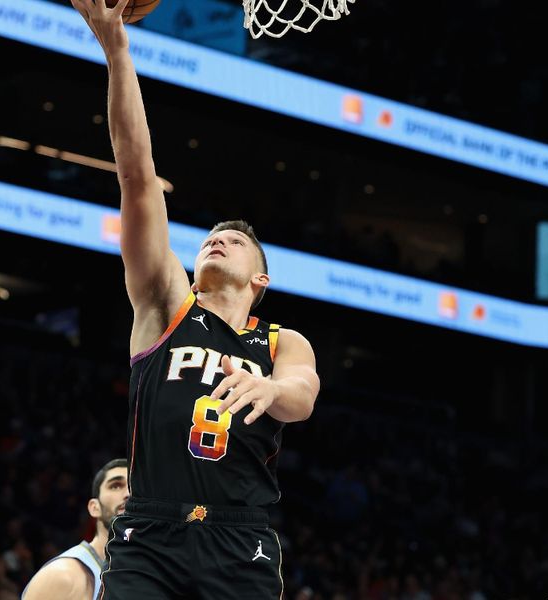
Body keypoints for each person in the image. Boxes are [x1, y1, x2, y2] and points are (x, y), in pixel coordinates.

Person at [69, 2, 321, 598]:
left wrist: (272, 389)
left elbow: (303, 394)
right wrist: (117, 50)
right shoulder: (166, 306)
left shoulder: (281, 341)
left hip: (242, 543)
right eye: (211, 237)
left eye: (236, 242)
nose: (219, 239)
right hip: (150, 535)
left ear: (260, 282)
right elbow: (137, 174)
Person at [22, 459, 129, 600]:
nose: (128, 493)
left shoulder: (149, 575)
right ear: (94, 508)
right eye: (116, 486)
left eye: (135, 486)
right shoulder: (65, 576)